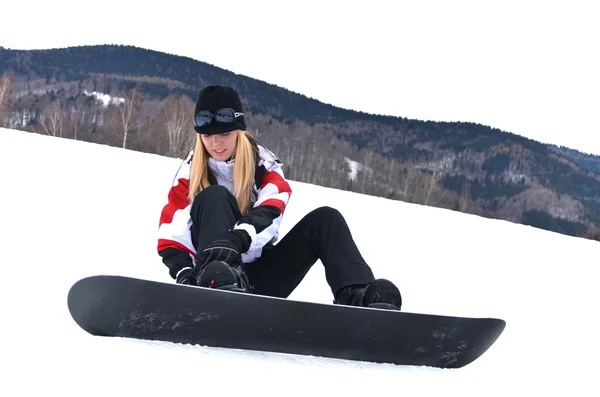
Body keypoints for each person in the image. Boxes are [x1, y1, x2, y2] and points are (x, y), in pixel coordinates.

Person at [156, 85, 402, 310]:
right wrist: (185, 274)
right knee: (215, 197)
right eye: (208, 136)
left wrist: (239, 237)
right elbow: (171, 234)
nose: (216, 142)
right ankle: (217, 279)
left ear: (239, 131)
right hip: (210, 282)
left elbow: (272, 205)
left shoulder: (264, 165)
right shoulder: (189, 173)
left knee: (327, 219)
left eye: (225, 133)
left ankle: (356, 296)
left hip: (259, 280)